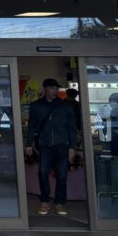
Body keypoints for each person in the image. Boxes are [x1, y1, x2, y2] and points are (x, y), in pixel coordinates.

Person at [24, 78, 78, 216]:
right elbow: (32, 126)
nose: (56, 91)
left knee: (62, 175)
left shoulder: (65, 106)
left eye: (57, 88)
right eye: (53, 88)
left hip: (62, 145)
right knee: (42, 173)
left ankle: (60, 203)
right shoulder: (36, 106)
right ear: (45, 89)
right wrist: (29, 143)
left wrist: (72, 146)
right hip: (45, 145)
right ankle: (44, 201)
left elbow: (72, 128)